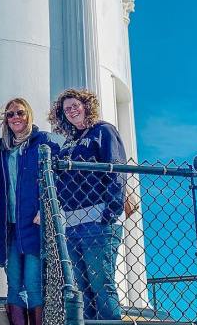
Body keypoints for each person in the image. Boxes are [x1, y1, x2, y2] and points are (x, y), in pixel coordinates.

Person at [48, 88, 127, 321]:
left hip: (99, 220)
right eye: (66, 109)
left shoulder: (103, 131)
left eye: (75, 105)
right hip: (72, 223)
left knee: (102, 286)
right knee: (82, 290)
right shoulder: (69, 142)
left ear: (86, 106)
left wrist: (110, 211)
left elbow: (116, 169)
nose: (71, 111)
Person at [0, 98, 53, 325]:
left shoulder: (42, 142)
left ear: (29, 115)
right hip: (9, 228)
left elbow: (57, 179)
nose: (15, 117)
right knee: (14, 284)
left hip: (33, 226)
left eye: (20, 113)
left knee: (33, 284)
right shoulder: (2, 150)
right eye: (10, 114)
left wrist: (45, 209)